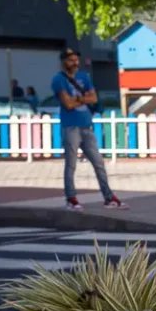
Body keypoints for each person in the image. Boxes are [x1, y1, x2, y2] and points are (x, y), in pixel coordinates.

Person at [51, 48, 126, 211]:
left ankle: (109, 198)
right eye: (70, 59)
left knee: (99, 163)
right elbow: (67, 104)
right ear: (64, 61)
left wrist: (77, 99)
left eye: (76, 59)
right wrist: (82, 99)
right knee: (70, 165)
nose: (75, 62)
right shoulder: (58, 80)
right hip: (70, 126)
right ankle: (71, 199)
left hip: (86, 125)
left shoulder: (84, 77)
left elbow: (94, 98)